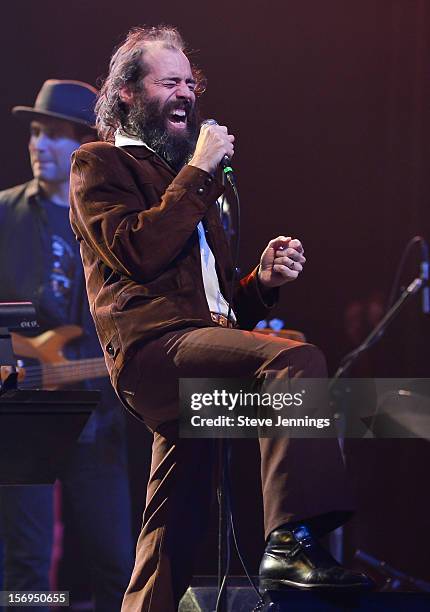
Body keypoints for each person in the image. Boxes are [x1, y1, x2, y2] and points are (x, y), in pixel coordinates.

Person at [69, 27, 373, 611]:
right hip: (154, 356)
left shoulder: (189, 186)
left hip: (197, 355)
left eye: (191, 82)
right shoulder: (100, 164)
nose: (185, 92)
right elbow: (137, 252)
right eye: (169, 81)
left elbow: (211, 304)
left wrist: (260, 282)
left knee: (173, 524)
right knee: (295, 359)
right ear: (128, 93)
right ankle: (290, 540)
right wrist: (201, 170)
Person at [0, 80, 134, 611]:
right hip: (21, 415)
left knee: (116, 562)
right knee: (27, 564)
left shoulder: (112, 221)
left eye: (54, 135)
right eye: (35, 132)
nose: (38, 145)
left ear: (85, 146)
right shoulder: (5, 213)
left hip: (95, 418)